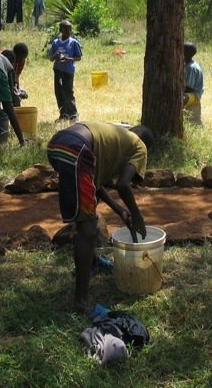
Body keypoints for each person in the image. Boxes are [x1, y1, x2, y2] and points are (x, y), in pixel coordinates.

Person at [47, 121, 154, 313]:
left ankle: (93, 262)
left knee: (88, 209)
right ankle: (81, 301)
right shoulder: (140, 146)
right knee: (87, 230)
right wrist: (138, 217)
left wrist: (120, 210)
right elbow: (123, 185)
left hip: (58, 145)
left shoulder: (114, 140)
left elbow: (96, 184)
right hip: (77, 149)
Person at [49, 20, 82, 122]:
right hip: (58, 70)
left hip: (68, 71)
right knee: (58, 92)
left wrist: (69, 59)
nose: (67, 31)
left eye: (69, 29)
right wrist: (56, 55)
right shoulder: (56, 42)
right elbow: (51, 58)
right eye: (65, 29)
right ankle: (63, 115)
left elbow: (78, 57)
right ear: (60, 30)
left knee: (68, 91)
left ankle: (73, 114)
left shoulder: (73, 43)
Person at [183, 42, 204, 125]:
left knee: (181, 99)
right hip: (190, 92)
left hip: (194, 94)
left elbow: (189, 88)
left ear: (186, 53)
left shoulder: (191, 68)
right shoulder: (188, 64)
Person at [12, 42, 30, 106]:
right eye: (21, 58)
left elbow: (17, 76)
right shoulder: (9, 58)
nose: (22, 61)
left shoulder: (21, 61)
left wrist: (18, 90)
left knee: (16, 99)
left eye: (24, 58)